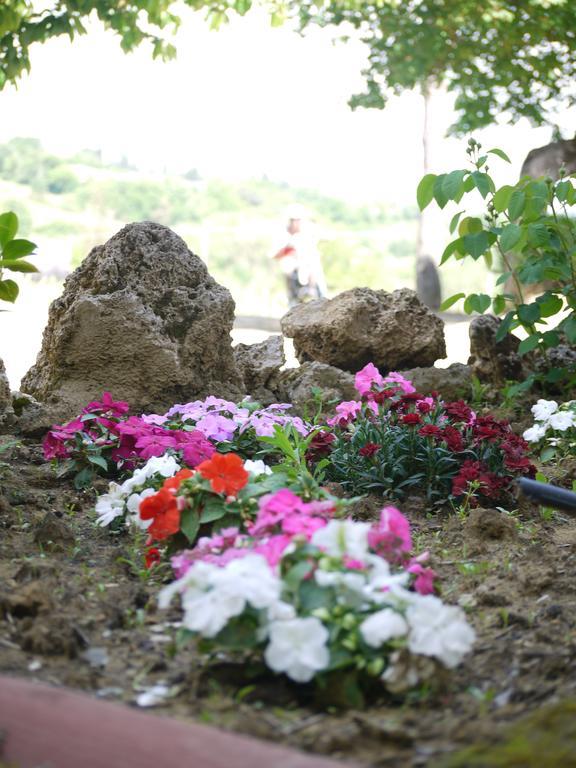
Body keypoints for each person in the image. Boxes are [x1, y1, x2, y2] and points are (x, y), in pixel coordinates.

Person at [271, 204, 326, 307]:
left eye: (298, 220)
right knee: (293, 300)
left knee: (321, 294)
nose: (296, 223)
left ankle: (313, 292)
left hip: (311, 271)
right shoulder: (283, 235)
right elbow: (275, 255)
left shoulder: (308, 232)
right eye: (293, 220)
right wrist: (287, 249)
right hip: (293, 271)